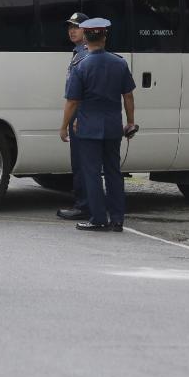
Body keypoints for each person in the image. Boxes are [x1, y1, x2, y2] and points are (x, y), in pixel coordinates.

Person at [59, 18, 136, 232]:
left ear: (87, 39)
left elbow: (73, 101)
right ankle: (118, 219)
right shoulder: (119, 63)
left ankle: (98, 218)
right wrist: (130, 122)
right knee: (113, 172)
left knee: (91, 173)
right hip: (113, 126)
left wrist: (64, 126)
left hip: (87, 127)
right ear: (104, 37)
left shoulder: (81, 65)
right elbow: (128, 96)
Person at [56, 12, 90, 220]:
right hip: (85, 113)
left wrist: (65, 124)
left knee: (81, 162)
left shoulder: (84, 56)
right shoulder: (79, 53)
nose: (72, 30)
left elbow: (75, 97)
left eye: (76, 27)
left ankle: (84, 205)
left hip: (81, 114)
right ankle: (86, 203)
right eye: (70, 27)